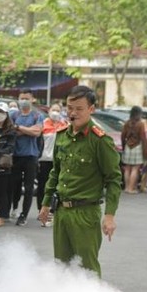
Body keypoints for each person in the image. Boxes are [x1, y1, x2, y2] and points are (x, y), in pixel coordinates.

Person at [38, 86, 122, 278]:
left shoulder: (100, 140)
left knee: (87, 269)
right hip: (61, 212)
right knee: (61, 267)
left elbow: (114, 179)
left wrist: (109, 215)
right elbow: (55, 173)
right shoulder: (62, 137)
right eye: (69, 108)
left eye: (79, 108)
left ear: (91, 109)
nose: (73, 113)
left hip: (85, 213)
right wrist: (45, 204)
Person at [10, 88, 43, 226]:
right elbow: (11, 132)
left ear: (32, 99)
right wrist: (28, 130)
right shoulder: (13, 115)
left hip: (31, 156)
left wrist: (20, 128)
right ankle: (15, 208)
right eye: (21, 98)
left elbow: (37, 132)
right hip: (16, 155)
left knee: (29, 188)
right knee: (15, 185)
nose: (24, 101)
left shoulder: (37, 115)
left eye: (26, 98)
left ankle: (24, 215)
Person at [37, 103, 67, 226]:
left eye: (58, 110)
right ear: (49, 111)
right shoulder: (44, 124)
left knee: (56, 188)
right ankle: (42, 210)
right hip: (44, 159)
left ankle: (52, 213)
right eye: (53, 110)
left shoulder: (64, 125)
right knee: (43, 187)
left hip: (58, 161)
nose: (55, 112)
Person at [120, 106, 147, 194]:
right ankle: (131, 188)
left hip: (128, 146)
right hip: (137, 147)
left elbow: (122, 136)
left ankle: (127, 187)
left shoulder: (127, 123)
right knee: (135, 169)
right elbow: (143, 138)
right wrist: (145, 151)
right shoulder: (140, 124)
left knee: (127, 169)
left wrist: (124, 146)